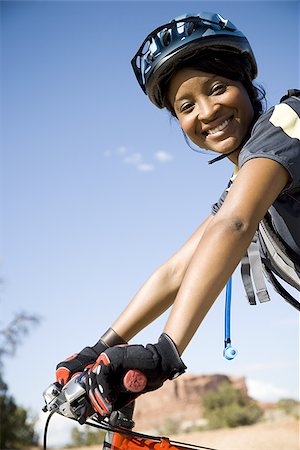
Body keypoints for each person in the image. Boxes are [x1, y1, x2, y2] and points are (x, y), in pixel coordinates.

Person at [56, 12, 300, 419]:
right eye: (186, 106)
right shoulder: (240, 188)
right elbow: (175, 272)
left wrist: (166, 351)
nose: (206, 111)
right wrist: (97, 349)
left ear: (246, 83)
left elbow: (233, 225)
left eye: (218, 87)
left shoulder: (288, 121)